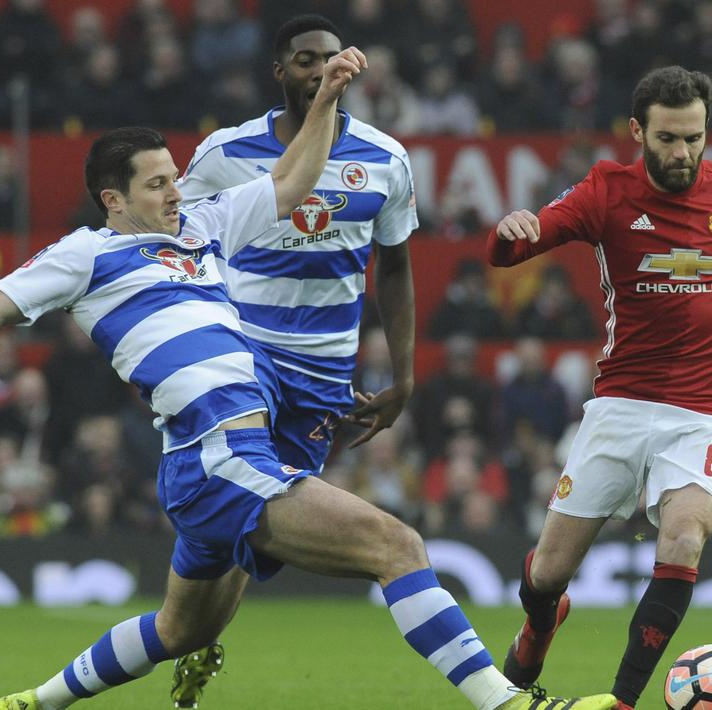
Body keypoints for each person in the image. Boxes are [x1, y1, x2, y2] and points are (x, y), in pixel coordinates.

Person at [0, 50, 613, 710]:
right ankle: (508, 703)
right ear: (112, 199)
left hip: (217, 458)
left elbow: (290, 180)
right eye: (158, 182)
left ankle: (34, 701)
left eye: (174, 175)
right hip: (218, 454)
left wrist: (327, 97)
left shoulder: (204, 226)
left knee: (181, 630)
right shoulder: (86, 256)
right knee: (395, 545)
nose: (177, 190)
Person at [486, 66, 712, 710]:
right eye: (668, 139)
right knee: (548, 573)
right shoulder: (605, 191)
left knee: (683, 538)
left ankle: (622, 701)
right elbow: (513, 251)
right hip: (620, 404)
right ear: (638, 131)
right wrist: (509, 233)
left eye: (694, 138)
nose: (682, 153)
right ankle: (541, 622)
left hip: (704, 411)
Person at [172, 16, 419, 704]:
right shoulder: (225, 153)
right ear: (280, 72)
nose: (319, 70)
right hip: (243, 358)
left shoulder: (385, 159)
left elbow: (395, 268)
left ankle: (192, 636)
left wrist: (403, 376)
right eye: (304, 60)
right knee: (241, 493)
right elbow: (176, 243)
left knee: (257, 527)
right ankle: (180, 630)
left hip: (323, 376)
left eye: (329, 58)